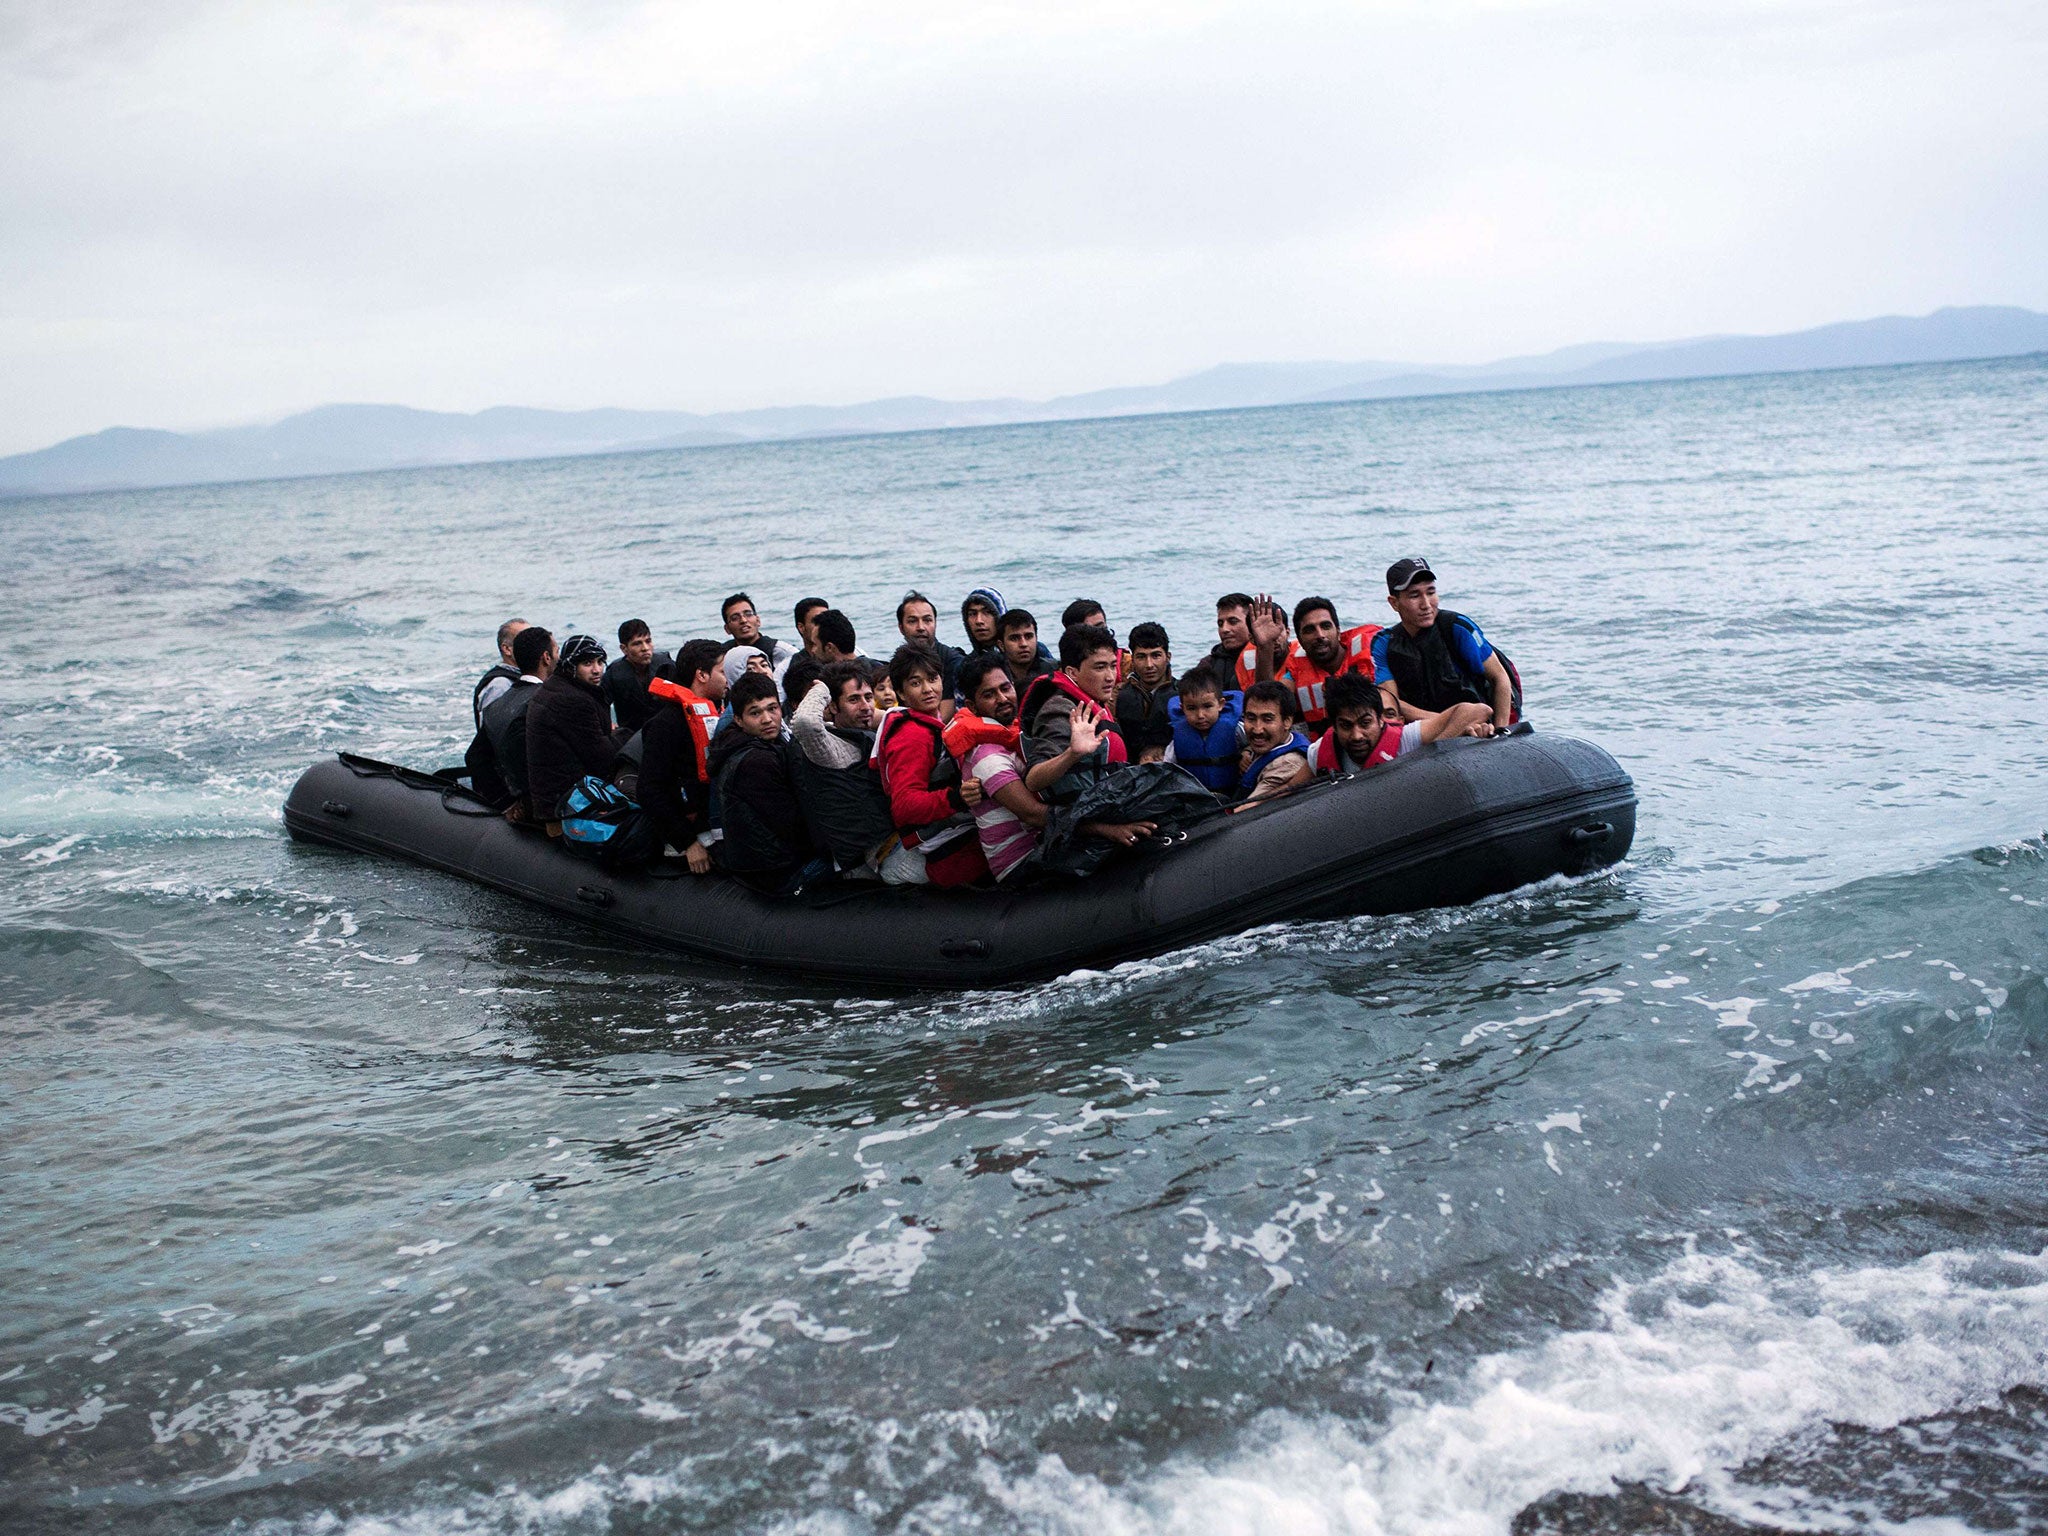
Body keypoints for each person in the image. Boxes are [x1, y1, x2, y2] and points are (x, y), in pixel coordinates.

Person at [872, 645, 988, 887]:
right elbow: (904, 806)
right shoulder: (912, 736)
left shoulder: (930, 722)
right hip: (935, 848)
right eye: (916, 683)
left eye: (933, 679)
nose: (928, 689)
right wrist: (956, 798)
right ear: (901, 694)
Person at [789, 660, 914, 881]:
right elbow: (805, 722)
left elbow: (911, 720)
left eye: (868, 697)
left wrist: (873, 711)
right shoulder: (827, 748)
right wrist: (822, 689)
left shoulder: (865, 729)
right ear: (834, 707)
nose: (865, 705)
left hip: (899, 840)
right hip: (877, 859)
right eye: (854, 700)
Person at [1374, 558, 1521, 730]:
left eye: (1431, 592)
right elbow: (1392, 702)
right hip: (1429, 727)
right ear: (1394, 603)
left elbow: (1500, 678)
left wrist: (1500, 732)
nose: (1426, 604)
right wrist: (1451, 722)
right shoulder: (1384, 643)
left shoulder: (1458, 628)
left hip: (1479, 721)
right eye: (1415, 595)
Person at [707, 672, 815, 892]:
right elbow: (790, 823)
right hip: (775, 872)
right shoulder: (756, 761)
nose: (767, 719)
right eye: (755, 713)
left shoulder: (753, 746)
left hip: (763, 863)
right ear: (739, 720)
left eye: (772, 709)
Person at [945, 652, 1047, 882]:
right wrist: (1097, 826)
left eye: (1005, 688)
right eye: (989, 694)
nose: (1002, 698)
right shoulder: (986, 756)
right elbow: (1033, 815)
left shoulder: (1016, 730)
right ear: (972, 705)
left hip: (1040, 846)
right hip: (1020, 863)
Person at [1300, 672, 1494, 780]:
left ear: (1380, 719)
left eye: (1365, 723)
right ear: (1334, 726)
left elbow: (1478, 711)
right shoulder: (1320, 752)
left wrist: (1433, 755)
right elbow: (1285, 796)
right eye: (1346, 726)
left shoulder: (1407, 738)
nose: (1357, 735)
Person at [641, 638, 727, 872]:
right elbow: (650, 789)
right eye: (722, 671)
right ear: (702, 675)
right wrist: (688, 843)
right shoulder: (666, 725)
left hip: (714, 821)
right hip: (689, 836)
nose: (727, 678)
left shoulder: (716, 713)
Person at [523, 634, 629, 822]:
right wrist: (624, 734)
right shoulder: (573, 700)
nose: (597, 670)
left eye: (600, 662)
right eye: (587, 663)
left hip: (552, 796)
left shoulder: (555, 687)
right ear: (572, 666)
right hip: (568, 802)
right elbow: (602, 758)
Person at [1020, 622, 1127, 802]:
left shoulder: (1095, 700)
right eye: (1099, 667)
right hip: (1080, 816)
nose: (1110, 676)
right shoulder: (1061, 710)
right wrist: (1072, 754)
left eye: (1112, 665)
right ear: (1073, 672)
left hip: (1108, 802)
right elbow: (1033, 780)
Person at [469, 624, 553, 813]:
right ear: (507, 649)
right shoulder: (500, 685)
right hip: (510, 789)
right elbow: (495, 741)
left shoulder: (524, 684)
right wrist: (505, 800)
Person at [1276, 596, 1379, 730]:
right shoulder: (1295, 671)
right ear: (1300, 640)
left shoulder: (1374, 653)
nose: (1319, 635)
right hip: (1323, 746)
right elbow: (1271, 703)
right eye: (1309, 630)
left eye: (1325, 626)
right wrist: (1265, 647)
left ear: (1338, 631)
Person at [1163, 666, 1243, 794]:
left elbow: (1258, 745)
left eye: (1207, 706)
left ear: (1221, 704)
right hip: (1196, 799)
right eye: (1191, 708)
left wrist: (1248, 752)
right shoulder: (1177, 736)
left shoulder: (1237, 730)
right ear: (1182, 708)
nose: (1200, 715)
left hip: (1234, 794)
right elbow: (1167, 768)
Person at [1235, 680, 1310, 805]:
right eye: (1251, 718)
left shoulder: (1287, 765)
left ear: (1287, 721)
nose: (1258, 729)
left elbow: (1246, 811)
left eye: (1267, 719)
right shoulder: (1267, 746)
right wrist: (1247, 750)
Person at [1114, 621, 1176, 763]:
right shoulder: (1118, 696)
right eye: (1141, 657)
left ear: (1168, 657)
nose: (1149, 665)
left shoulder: (1182, 694)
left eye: (1156, 656)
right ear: (1132, 660)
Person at [1200, 593, 1284, 694]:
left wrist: (1265, 646)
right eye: (1220, 624)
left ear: (1252, 622)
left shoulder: (1277, 653)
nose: (1224, 629)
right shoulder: (1209, 664)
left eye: (1233, 621)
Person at [897, 590, 965, 711]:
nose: (921, 627)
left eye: (927, 620)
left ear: (935, 623)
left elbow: (944, 717)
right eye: (912, 621)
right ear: (901, 627)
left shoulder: (952, 661)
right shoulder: (900, 662)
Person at [782, 608, 861, 713]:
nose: (813, 650)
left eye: (815, 644)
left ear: (829, 647)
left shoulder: (832, 681)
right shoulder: (877, 668)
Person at [601, 619, 672, 733]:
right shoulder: (614, 674)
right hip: (631, 734)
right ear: (624, 649)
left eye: (648, 641)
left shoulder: (666, 665)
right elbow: (600, 705)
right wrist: (608, 723)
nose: (645, 648)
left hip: (666, 729)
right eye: (637, 643)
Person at [719, 592, 797, 677]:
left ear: (758, 620)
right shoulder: (724, 655)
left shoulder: (782, 651)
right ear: (727, 629)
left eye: (748, 614)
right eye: (735, 618)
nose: (743, 620)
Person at [474, 618, 529, 728]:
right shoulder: (500, 685)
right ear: (507, 649)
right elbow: (493, 732)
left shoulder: (527, 677)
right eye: (525, 641)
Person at [998, 609, 1055, 696]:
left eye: (1028, 636)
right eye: (1014, 638)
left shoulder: (1054, 672)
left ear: (1036, 638)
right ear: (1001, 645)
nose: (1023, 644)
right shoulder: (995, 678)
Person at [961, 587, 1006, 654]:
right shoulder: (968, 663)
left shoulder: (1019, 659)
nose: (979, 621)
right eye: (973, 614)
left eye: (987, 612)